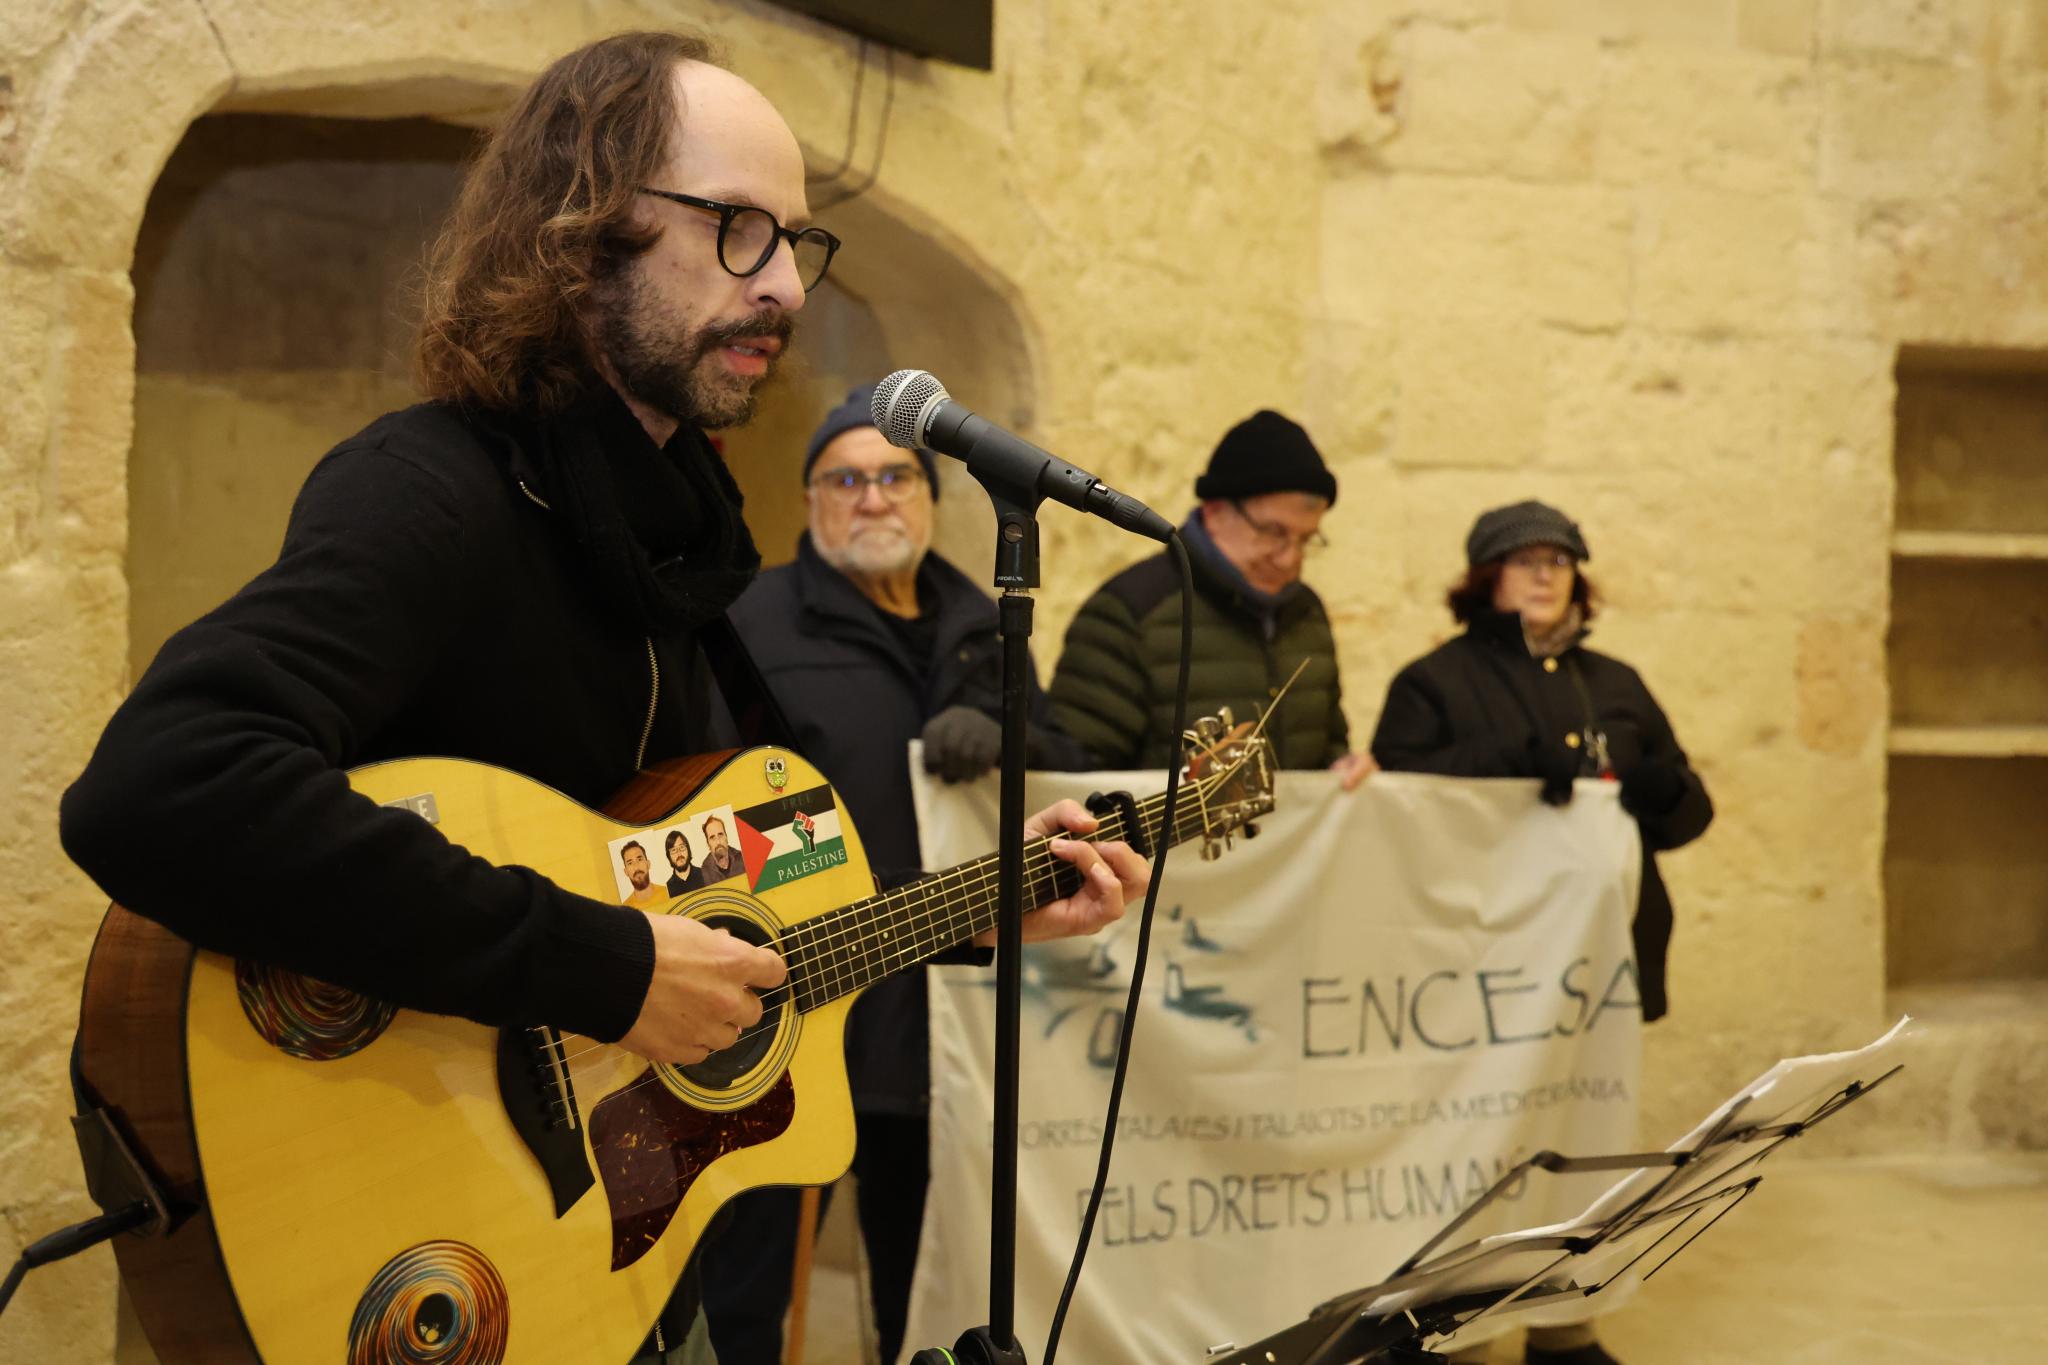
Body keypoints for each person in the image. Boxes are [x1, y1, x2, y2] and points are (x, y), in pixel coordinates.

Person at [57, 31, 1147, 1365]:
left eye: (796, 243)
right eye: (737, 228)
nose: (786, 291)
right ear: (580, 229)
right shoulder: (438, 492)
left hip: (618, 1261)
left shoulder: (670, 555)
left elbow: (699, 912)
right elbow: (164, 784)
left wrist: (987, 909)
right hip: (420, 1201)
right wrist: (608, 969)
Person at [700, 383, 1087, 1364]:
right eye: (846, 479)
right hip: (787, 1010)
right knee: (744, 1294)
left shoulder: (983, 616)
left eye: (894, 477)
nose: (873, 498)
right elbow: (698, 788)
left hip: (937, 1022)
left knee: (921, 1288)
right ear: (810, 502)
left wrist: (1004, 728)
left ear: (928, 496)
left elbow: (1061, 753)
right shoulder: (752, 620)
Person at [1369, 499, 1712, 1365]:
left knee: (1588, 1139)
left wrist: (1667, 791)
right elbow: (1393, 806)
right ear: (1486, 578)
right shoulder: (1433, 681)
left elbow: (1684, 817)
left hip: (1598, 966)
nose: (1545, 572)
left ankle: (1566, 1327)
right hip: (1476, 967)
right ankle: (1457, 1333)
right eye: (1524, 560)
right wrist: (1506, 768)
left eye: (1559, 559)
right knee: (1477, 1147)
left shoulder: (1619, 682)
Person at [1049, 410, 1372, 785]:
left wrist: (1342, 770)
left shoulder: (1307, 613)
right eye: (1272, 532)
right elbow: (1076, 779)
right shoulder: (1130, 612)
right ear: (1216, 511)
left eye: (1305, 538)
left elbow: (1323, 745)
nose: (1290, 558)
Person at [696, 813, 746, 885]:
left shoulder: (743, 859)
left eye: (720, 835)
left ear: (726, 837)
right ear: (708, 844)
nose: (718, 842)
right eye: (712, 837)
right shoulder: (704, 872)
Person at [621, 839, 668, 906]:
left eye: (639, 859)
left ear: (648, 864)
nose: (636, 866)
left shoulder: (667, 893)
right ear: (626, 872)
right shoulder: (625, 909)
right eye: (630, 863)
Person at [664, 828, 702, 895]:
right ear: (668, 856)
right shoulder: (667, 889)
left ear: (688, 849)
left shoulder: (704, 874)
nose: (679, 854)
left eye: (682, 847)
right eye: (673, 850)